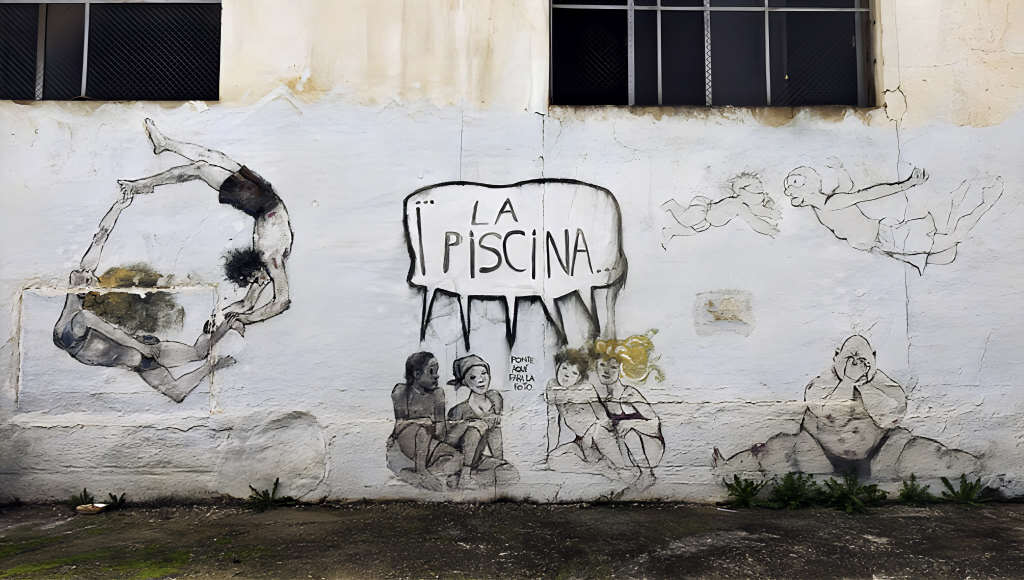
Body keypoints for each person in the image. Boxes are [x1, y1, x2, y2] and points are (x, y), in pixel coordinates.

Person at [713, 335, 980, 481]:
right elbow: (827, 411)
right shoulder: (821, 384)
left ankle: (979, 467)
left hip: (881, 453)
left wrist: (863, 385)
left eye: (862, 359)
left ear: (873, 359)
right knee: (773, 450)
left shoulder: (884, 384)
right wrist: (847, 382)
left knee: (930, 454)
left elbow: (891, 415)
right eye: (849, 358)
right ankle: (727, 468)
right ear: (836, 358)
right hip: (818, 452)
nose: (856, 363)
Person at [53, 195, 237, 403]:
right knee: (177, 392)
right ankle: (213, 362)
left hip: (142, 349)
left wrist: (118, 207)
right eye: (87, 279)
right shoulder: (76, 318)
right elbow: (113, 331)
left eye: (91, 280)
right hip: (140, 355)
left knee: (197, 353)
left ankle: (223, 328)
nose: (90, 280)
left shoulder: (80, 318)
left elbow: (101, 236)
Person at [117, 118, 293, 329]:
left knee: (202, 167)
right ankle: (159, 154)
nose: (255, 283)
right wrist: (243, 319)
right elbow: (281, 301)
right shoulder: (270, 259)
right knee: (207, 163)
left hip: (262, 201)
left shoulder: (263, 272)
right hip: (262, 201)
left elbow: (246, 303)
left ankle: (148, 172)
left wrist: (219, 317)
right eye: (251, 280)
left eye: (250, 281)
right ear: (253, 270)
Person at [783, 164, 1003, 273]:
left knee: (953, 240)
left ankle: (987, 200)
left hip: (889, 238)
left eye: (793, 185)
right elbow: (847, 189)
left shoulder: (832, 203)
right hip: (882, 244)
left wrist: (907, 183)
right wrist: (840, 170)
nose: (788, 192)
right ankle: (964, 195)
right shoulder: (824, 205)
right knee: (945, 254)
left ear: (808, 187)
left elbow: (869, 194)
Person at [590, 340, 665, 489]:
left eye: (613, 367)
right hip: (629, 449)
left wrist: (632, 423)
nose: (607, 371)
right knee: (599, 429)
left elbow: (655, 424)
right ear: (596, 368)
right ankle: (625, 474)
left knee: (627, 430)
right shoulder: (605, 398)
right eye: (602, 365)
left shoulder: (629, 393)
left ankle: (647, 474)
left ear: (620, 370)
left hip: (650, 447)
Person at [387, 352, 463, 492]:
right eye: (431, 371)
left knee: (458, 458)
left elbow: (440, 430)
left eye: (437, 371)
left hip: (429, 442)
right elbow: (399, 424)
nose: (437, 376)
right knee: (422, 430)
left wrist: (436, 427)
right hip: (408, 439)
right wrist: (423, 423)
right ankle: (421, 471)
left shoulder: (438, 394)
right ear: (417, 374)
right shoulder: (401, 391)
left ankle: (416, 474)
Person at [445, 355, 519, 489]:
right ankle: (465, 476)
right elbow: (448, 442)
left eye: (484, 373)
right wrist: (468, 424)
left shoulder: (495, 398)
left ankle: (466, 479)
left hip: (478, 460)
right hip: (458, 461)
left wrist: (499, 462)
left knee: (510, 474)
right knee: (476, 429)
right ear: (465, 382)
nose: (480, 380)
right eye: (472, 377)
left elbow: (494, 432)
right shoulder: (459, 410)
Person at [662, 173, 780, 246]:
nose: (762, 194)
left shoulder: (744, 205)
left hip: (707, 221)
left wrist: (770, 213)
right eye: (757, 190)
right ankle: (671, 205)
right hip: (703, 209)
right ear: (742, 191)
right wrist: (770, 230)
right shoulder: (737, 204)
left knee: (694, 229)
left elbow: (757, 212)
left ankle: (669, 232)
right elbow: (753, 221)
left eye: (761, 191)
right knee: (688, 220)